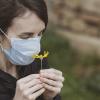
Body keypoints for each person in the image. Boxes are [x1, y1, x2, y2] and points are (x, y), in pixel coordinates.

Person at [0, 0, 64, 100]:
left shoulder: (36, 57)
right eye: (26, 36)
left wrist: (49, 97)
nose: (35, 46)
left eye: (40, 34)